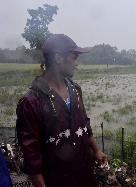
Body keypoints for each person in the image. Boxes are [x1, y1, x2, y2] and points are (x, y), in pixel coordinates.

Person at [16, 34, 107, 187]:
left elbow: (84, 124)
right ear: (58, 58)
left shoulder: (76, 90)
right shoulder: (31, 102)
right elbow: (32, 158)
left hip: (84, 174)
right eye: (74, 57)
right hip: (56, 179)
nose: (76, 64)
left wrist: (97, 150)